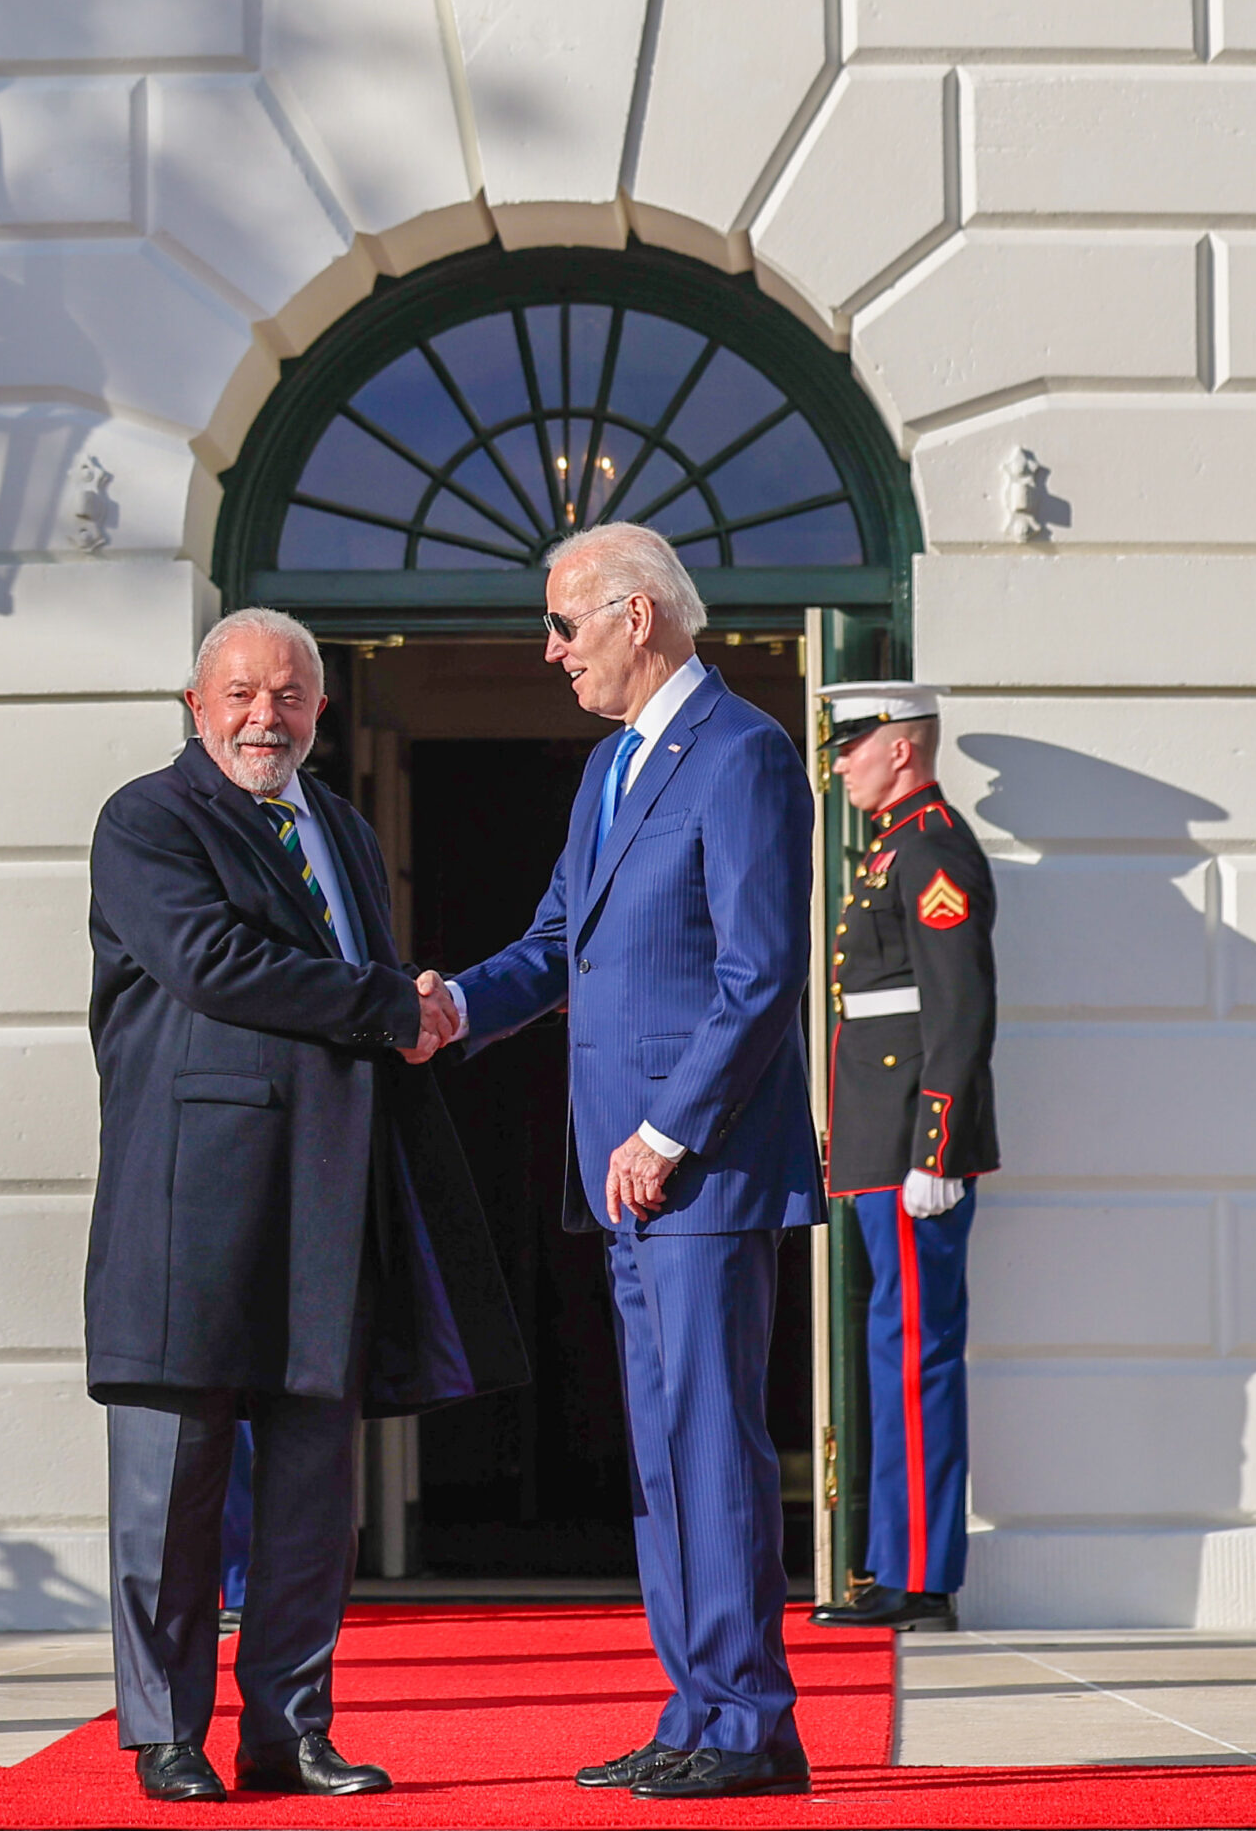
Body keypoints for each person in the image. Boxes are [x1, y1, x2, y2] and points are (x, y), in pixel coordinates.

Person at [85, 608, 525, 1805]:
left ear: (320, 711)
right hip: (190, 1208)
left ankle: (288, 1729)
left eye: (286, 695)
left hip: (328, 1201)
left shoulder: (335, 822)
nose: (260, 716)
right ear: (195, 703)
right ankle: (165, 1733)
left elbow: (354, 990)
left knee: (310, 1495)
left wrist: (409, 1006)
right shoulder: (146, 820)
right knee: (167, 1496)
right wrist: (395, 1002)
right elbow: (210, 964)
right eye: (238, 694)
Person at [442, 524, 821, 1803]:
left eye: (564, 624)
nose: (550, 652)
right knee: (663, 1453)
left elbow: (759, 971)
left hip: (694, 1165)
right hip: (625, 1178)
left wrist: (666, 1130)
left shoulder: (744, 755)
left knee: (710, 1445)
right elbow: (558, 944)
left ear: (637, 615)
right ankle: (696, 1706)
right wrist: (446, 1007)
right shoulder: (609, 766)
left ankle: (747, 1724)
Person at [806, 684, 998, 1635]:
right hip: (879, 1144)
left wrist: (939, 1145)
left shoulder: (928, 849)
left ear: (901, 747)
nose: (839, 763)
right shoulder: (891, 846)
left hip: (912, 1147)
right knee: (893, 1350)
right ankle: (893, 1562)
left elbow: (956, 1011)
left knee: (918, 1356)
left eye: (852, 746)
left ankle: (923, 1577)